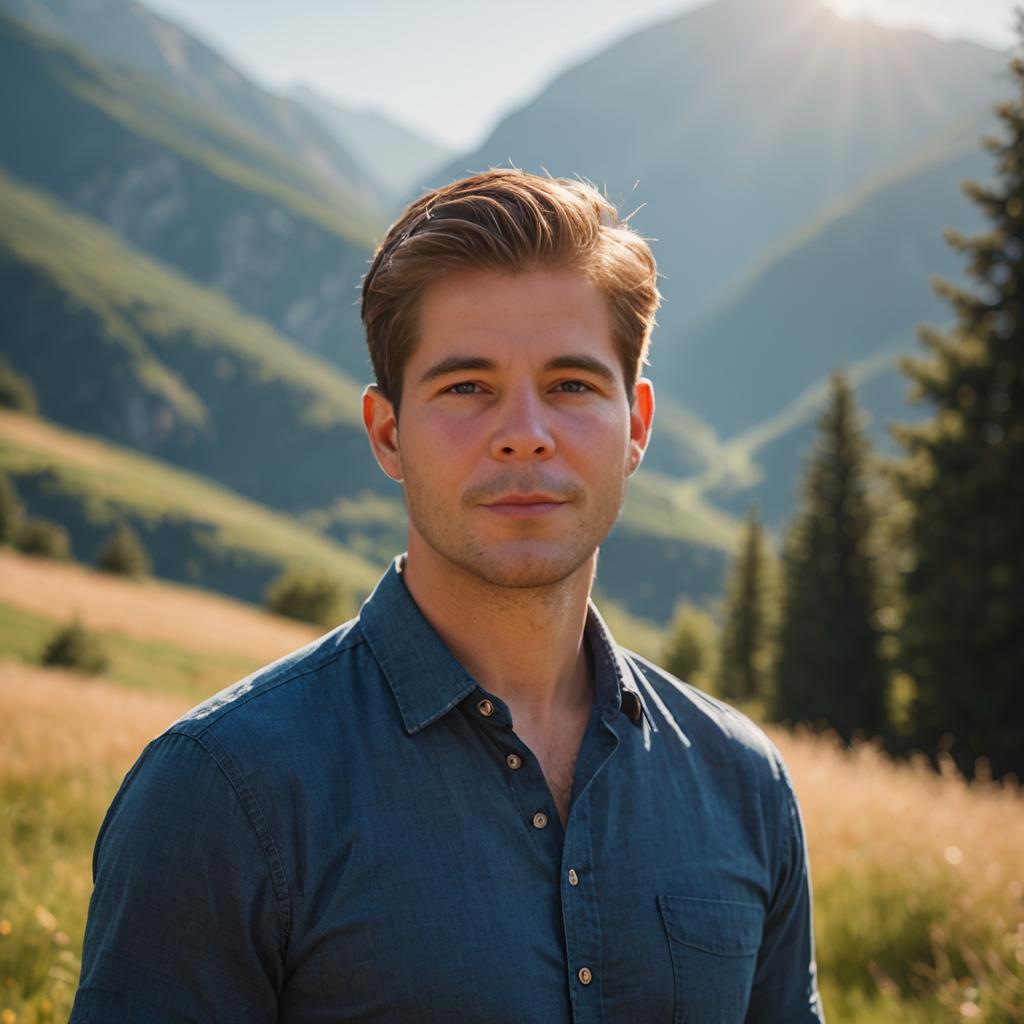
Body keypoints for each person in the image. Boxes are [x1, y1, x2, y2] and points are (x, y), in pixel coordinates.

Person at [70, 169, 824, 1023]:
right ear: (389, 434)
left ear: (637, 427)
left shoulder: (742, 783)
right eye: (467, 387)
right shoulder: (223, 794)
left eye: (572, 385)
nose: (525, 435)